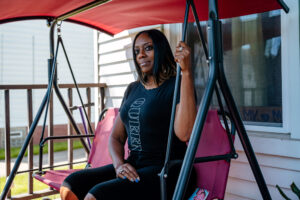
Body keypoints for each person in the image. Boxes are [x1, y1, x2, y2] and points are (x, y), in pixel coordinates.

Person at [60, 29, 197, 200]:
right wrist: (119, 165)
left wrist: (187, 73)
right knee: (71, 185)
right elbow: (116, 137)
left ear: (160, 49)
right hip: (135, 165)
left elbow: (184, 133)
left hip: (168, 171)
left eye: (148, 48)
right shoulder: (133, 88)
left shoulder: (176, 85)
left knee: (96, 196)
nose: (141, 55)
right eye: (137, 51)